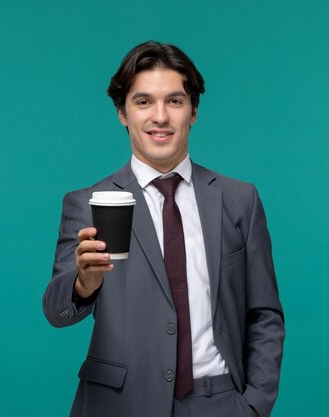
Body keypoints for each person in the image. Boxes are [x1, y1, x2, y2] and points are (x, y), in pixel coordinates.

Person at [43, 40, 284, 417]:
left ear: (193, 111)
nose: (160, 117)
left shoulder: (240, 200)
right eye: (143, 102)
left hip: (219, 402)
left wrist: (253, 405)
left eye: (174, 101)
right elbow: (56, 313)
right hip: (118, 405)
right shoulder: (87, 203)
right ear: (122, 113)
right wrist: (82, 285)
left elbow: (264, 314)